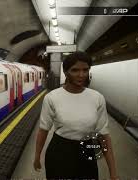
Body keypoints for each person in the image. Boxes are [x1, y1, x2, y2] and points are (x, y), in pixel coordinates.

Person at [33, 51, 118, 179]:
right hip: (59, 151)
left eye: (85, 70)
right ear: (66, 72)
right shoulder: (52, 98)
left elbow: (103, 136)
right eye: (75, 70)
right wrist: (37, 156)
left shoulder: (97, 98)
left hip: (88, 148)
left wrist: (113, 173)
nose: (81, 75)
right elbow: (43, 129)